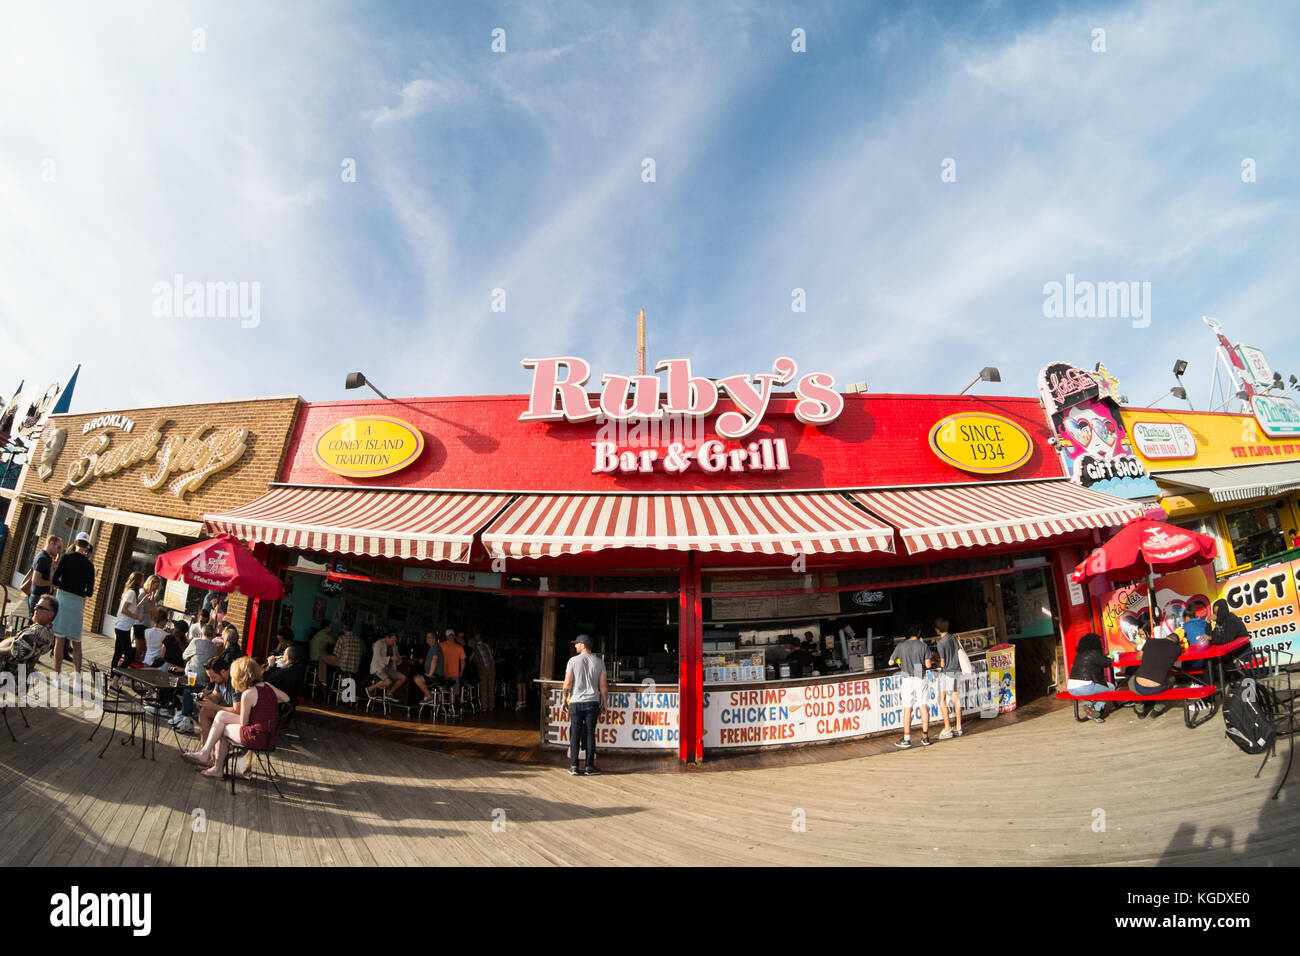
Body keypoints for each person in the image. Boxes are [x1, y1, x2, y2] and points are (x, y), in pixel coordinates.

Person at [184, 657, 290, 779]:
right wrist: (265, 702)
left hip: (257, 736)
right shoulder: (266, 685)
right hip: (270, 734)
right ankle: (208, 757)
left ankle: (214, 765)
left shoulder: (248, 694)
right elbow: (286, 699)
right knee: (221, 717)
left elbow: (243, 722)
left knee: (223, 727)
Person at [51, 531, 95, 683]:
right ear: (87, 545)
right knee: (76, 642)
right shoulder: (90, 566)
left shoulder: (66, 558)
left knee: (60, 639)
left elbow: (55, 580)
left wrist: (67, 586)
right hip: (77, 603)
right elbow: (89, 592)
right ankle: (77, 680)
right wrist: (78, 589)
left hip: (63, 599)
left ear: (76, 542)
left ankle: (57, 677)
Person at [562, 634, 607, 775]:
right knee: (589, 734)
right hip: (592, 702)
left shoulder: (572, 661)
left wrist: (564, 700)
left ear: (583, 644)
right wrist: (605, 702)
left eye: (576, 643)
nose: (575, 646)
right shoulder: (599, 662)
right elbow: (603, 686)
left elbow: (568, 683)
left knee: (575, 733)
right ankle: (589, 767)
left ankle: (574, 766)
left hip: (575, 702)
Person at [889, 625, 932, 748]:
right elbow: (928, 665)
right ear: (919, 633)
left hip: (907, 678)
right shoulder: (923, 646)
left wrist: (900, 661)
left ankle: (907, 739)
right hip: (920, 676)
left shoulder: (900, 646)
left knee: (908, 708)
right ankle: (925, 737)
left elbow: (890, 662)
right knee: (923, 706)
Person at [1127, 630, 1184, 716]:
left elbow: (1138, 658)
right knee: (1172, 678)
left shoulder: (1151, 641)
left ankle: (1139, 710)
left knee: (1131, 680)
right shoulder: (1177, 648)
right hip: (1157, 689)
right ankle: (1158, 708)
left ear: (1166, 637)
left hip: (1139, 688)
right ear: (1176, 642)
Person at [1066, 632, 1116, 723]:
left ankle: (1088, 706)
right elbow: (1107, 662)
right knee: (1111, 688)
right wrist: (1112, 658)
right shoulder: (1093, 653)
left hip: (1071, 688)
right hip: (1084, 688)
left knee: (1094, 686)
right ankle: (1095, 710)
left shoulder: (1079, 655)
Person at [0, 595, 58, 668]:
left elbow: (15, 651)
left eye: (40, 607)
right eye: (36, 606)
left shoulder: (37, 632)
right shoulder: (49, 631)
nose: (35, 608)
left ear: (50, 614)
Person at [934, 617, 963, 739]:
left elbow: (942, 663)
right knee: (956, 697)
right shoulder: (954, 638)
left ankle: (947, 728)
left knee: (942, 699)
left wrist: (934, 659)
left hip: (947, 673)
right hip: (957, 670)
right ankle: (959, 727)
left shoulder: (941, 643)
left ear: (937, 629)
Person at [113, 572, 146, 668]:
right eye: (143, 579)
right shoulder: (131, 593)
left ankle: (113, 675)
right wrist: (137, 617)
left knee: (118, 654)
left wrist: (142, 602)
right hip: (123, 627)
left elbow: (131, 608)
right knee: (128, 656)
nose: (144, 582)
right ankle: (116, 677)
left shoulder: (131, 592)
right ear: (138, 581)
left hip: (122, 627)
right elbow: (124, 610)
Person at [26, 535, 62, 614]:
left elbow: (55, 565)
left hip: (39, 598)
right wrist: (52, 583)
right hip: (37, 598)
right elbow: (36, 580)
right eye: (58, 547)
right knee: (33, 624)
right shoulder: (42, 558)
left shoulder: (47, 557)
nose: (59, 550)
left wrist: (59, 554)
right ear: (51, 543)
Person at [367, 631, 407, 700]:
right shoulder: (379, 643)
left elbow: (397, 658)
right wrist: (390, 658)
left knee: (403, 678)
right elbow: (377, 657)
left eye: (395, 641)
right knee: (388, 682)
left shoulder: (394, 646)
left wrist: (399, 659)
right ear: (387, 638)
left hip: (389, 668)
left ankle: (389, 693)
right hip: (378, 667)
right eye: (393, 640)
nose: (394, 642)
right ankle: (369, 689)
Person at [470, 632, 496, 712]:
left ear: (475, 639)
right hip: (492, 667)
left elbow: (471, 658)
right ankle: (491, 706)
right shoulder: (487, 645)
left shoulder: (475, 647)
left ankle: (484, 706)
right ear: (481, 638)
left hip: (483, 668)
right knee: (491, 687)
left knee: (484, 688)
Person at [413, 632, 442, 703]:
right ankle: (427, 696)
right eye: (427, 637)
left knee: (417, 679)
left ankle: (429, 696)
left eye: (429, 637)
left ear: (434, 639)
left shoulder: (435, 647)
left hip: (436, 675)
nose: (427, 639)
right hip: (434, 674)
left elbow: (434, 660)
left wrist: (430, 674)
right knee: (417, 676)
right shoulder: (432, 647)